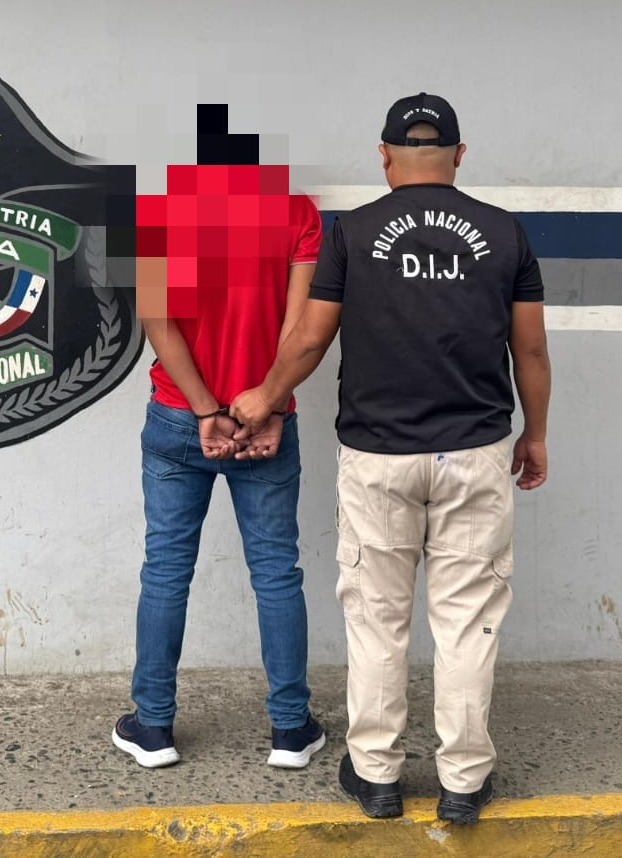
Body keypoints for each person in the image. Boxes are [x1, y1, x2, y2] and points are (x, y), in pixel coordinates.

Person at [230, 92, 551, 824]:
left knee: (377, 619)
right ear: (459, 155)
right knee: (468, 622)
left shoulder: (353, 232)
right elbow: (530, 349)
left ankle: (377, 776)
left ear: (384, 157)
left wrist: (265, 397)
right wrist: (534, 434)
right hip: (473, 453)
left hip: (377, 457)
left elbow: (310, 338)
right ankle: (463, 782)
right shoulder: (505, 233)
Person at [112, 117, 326, 770]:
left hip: (180, 418)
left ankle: (153, 726)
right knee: (277, 572)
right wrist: (269, 404)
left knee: (165, 570)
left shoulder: (162, 215)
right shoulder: (296, 213)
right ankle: (290, 730)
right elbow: (300, 328)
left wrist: (206, 408)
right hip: (267, 420)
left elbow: (158, 324)